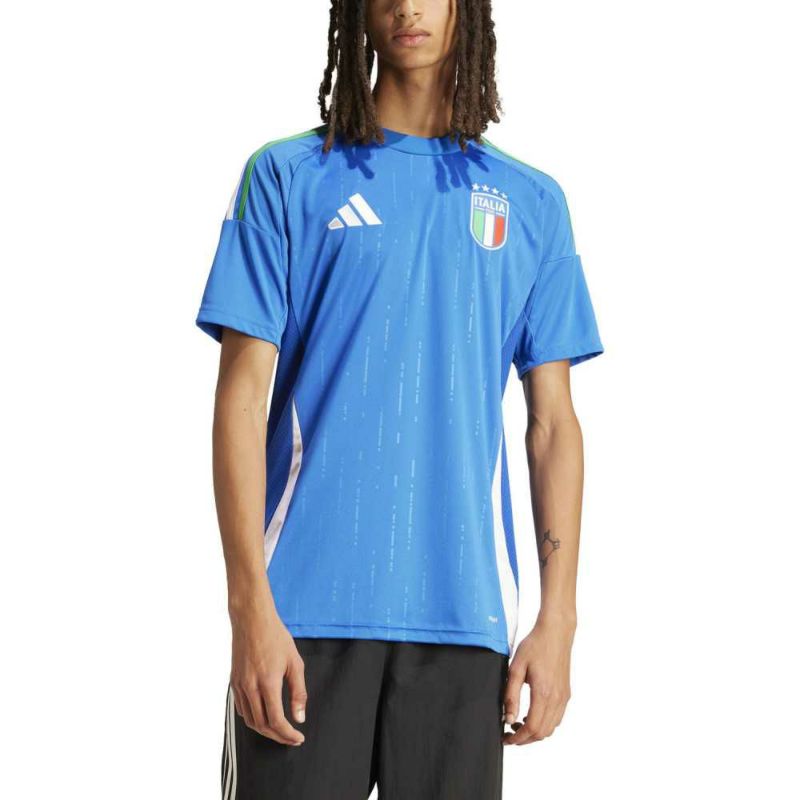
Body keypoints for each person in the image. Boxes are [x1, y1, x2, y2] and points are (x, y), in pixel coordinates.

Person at [195, 1, 604, 797]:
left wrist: (558, 620)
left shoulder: (531, 203)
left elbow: (553, 424)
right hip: (300, 618)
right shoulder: (286, 176)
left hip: (464, 618)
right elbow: (240, 402)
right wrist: (250, 608)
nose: (406, 6)